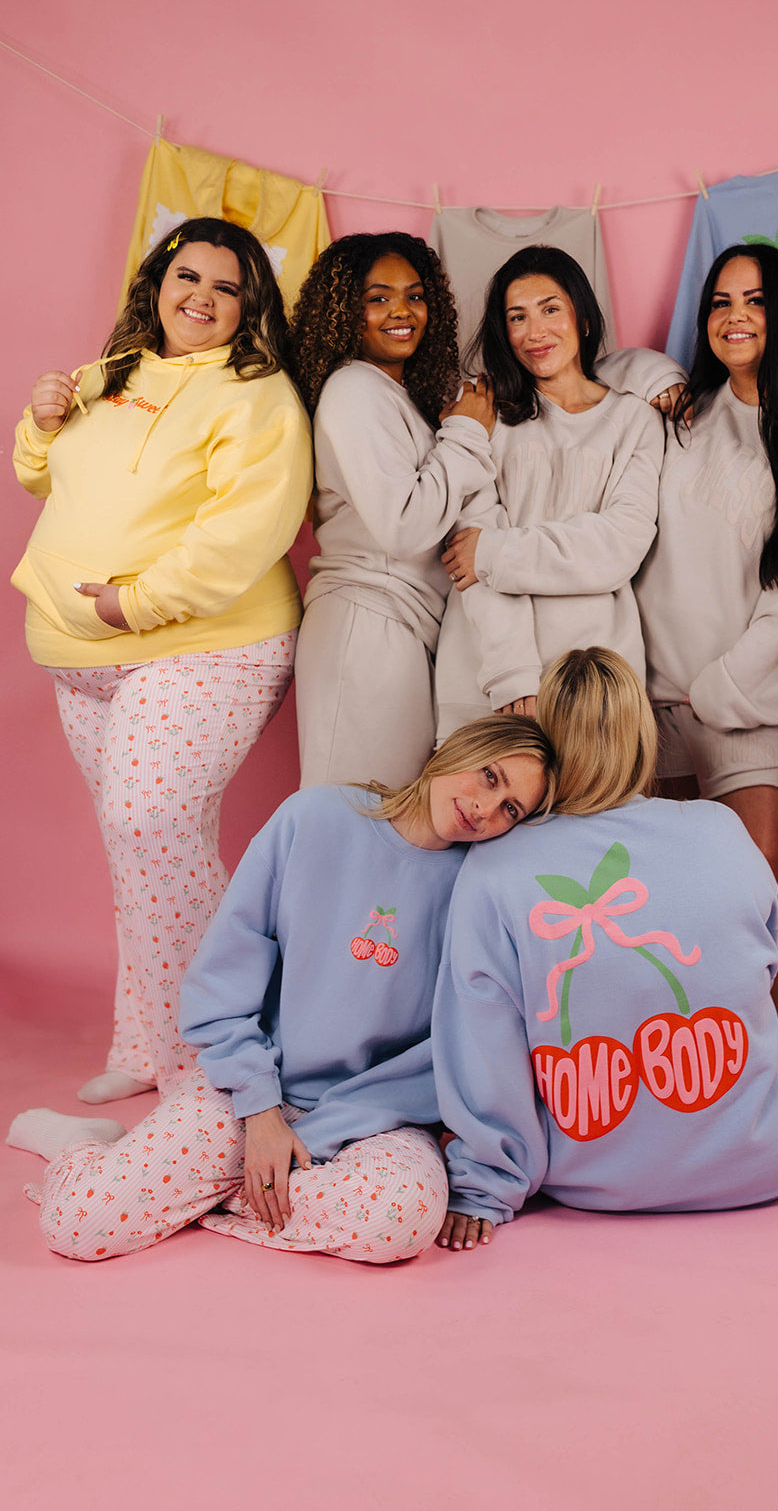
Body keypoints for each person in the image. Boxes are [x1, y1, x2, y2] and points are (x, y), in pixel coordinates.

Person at [8, 716, 556, 1267]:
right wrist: (261, 1112)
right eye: (489, 776)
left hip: (379, 1123)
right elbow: (225, 975)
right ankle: (84, 1150)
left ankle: (189, 1191)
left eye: (512, 808)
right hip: (252, 1092)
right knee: (78, 1225)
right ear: (457, 750)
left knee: (398, 1222)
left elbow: (473, 1045)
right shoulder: (314, 819)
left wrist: (476, 1182)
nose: (486, 808)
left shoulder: (479, 891)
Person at [11, 217, 312, 1105]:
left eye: (226, 288)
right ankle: (146, 1044)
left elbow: (243, 534)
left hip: (201, 647)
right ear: (157, 282)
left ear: (250, 307)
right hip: (81, 658)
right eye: (188, 277)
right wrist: (39, 424)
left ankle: (217, 1059)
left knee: (152, 828)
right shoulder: (114, 372)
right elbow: (47, 475)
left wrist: (129, 603)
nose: (202, 299)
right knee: (130, 847)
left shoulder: (259, 398)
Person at [432, 647, 778, 1249]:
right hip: (771, 1157)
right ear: (644, 736)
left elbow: (483, 1042)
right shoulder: (722, 829)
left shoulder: (494, 867)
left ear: (545, 742)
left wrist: (485, 1183)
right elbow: (762, 962)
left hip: (590, 1178)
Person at [635, 243, 778, 1040]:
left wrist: (722, 687)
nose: (734, 316)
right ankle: (701, 1069)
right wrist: (656, 379)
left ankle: (777, 1067)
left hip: (750, 697)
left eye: (754, 301)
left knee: (758, 877)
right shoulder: (679, 414)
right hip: (656, 696)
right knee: (678, 895)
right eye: (720, 302)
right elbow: (606, 358)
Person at [434, 246, 679, 737]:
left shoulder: (635, 421)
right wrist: (511, 672)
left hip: (596, 678)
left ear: (582, 318)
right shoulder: (485, 414)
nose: (535, 332)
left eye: (550, 309)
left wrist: (497, 551)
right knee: (475, 812)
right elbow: (467, 561)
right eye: (517, 317)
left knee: (598, 812)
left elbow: (619, 546)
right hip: (489, 673)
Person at [289, 233, 497, 788]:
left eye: (414, 294)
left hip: (396, 628)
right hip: (366, 624)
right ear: (344, 312)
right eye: (377, 298)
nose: (401, 311)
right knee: (350, 826)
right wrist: (466, 433)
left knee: (383, 827)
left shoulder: (395, 393)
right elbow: (406, 526)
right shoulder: (354, 388)